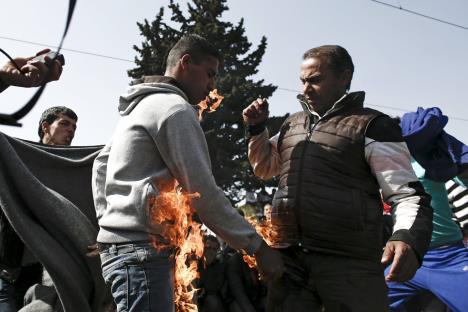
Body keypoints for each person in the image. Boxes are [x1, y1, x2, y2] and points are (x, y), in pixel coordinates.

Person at [92, 34, 284, 312]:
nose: (211, 85)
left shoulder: (140, 107)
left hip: (121, 249)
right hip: (143, 251)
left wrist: (109, 220)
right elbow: (203, 193)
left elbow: (100, 165)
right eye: (209, 74)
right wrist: (258, 247)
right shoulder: (175, 110)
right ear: (186, 62)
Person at [243, 45, 433, 311]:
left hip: (350, 264)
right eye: (303, 81)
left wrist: (407, 238)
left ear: (344, 77)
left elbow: (407, 194)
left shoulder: (373, 125)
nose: (306, 88)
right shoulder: (292, 124)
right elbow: (265, 167)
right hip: (290, 263)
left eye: (315, 80)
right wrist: (256, 129)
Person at [385, 107, 468, 312]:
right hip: (404, 256)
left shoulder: (426, 157)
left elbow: (463, 172)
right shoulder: (381, 166)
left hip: (448, 256)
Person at [0, 106, 77, 311]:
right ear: (45, 127)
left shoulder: (70, 170)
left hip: (41, 271)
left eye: (74, 126)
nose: (71, 130)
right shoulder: (17, 157)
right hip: (7, 269)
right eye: (64, 124)